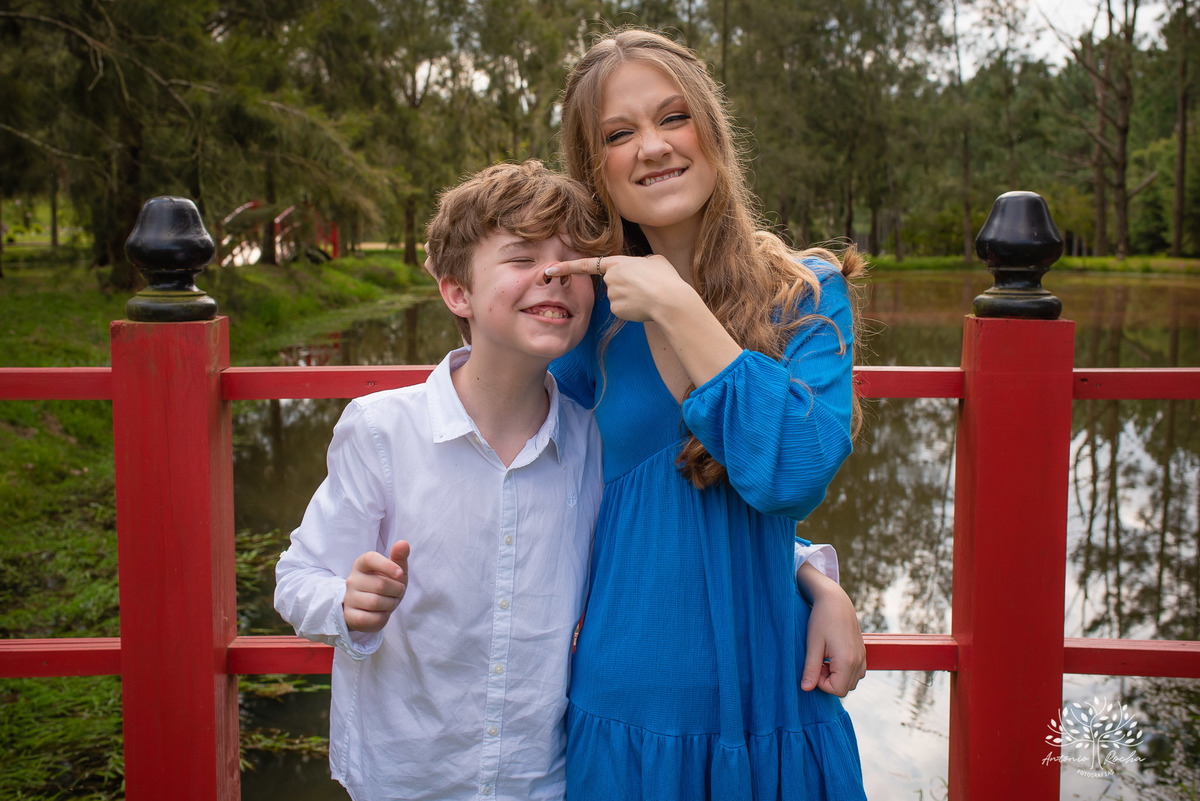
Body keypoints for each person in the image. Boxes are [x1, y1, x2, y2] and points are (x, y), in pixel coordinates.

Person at [545, 29, 869, 800]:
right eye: (618, 135)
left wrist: (674, 302)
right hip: (629, 708)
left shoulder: (808, 295)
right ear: (597, 171)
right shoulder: (584, 319)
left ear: (713, 133)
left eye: (674, 117)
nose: (652, 147)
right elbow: (517, 465)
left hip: (779, 691)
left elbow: (790, 473)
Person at [274, 160, 607, 801]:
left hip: (543, 781)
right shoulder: (380, 431)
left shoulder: (594, 440)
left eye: (575, 261)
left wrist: (808, 572)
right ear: (457, 292)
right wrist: (349, 604)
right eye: (521, 256)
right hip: (405, 776)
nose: (556, 273)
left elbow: (675, 530)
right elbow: (297, 580)